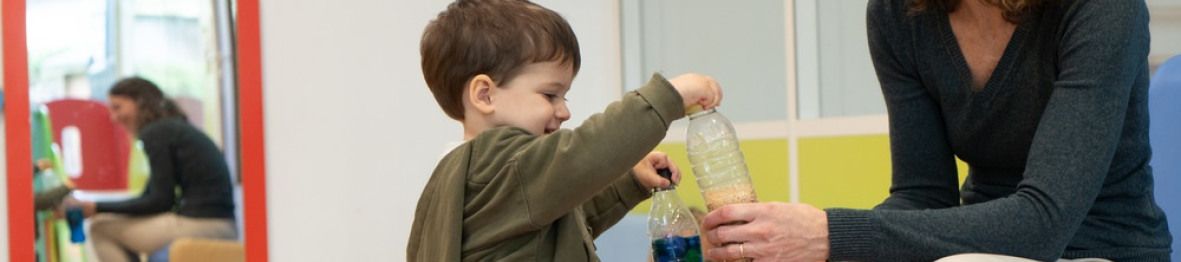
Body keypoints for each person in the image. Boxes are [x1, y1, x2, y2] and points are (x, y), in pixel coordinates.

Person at [698, 0, 1171, 261]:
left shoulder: (1103, 9)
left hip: (1103, 247)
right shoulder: (898, 14)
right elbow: (921, 196)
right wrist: (798, 245)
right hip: (977, 249)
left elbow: (1043, 223)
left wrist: (828, 234)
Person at [406, 0, 724, 261]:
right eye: (549, 95)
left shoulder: (465, 176)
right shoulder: (503, 161)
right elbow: (589, 153)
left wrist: (628, 183)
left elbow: (570, 220)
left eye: (565, 96)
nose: (564, 111)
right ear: (485, 95)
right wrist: (669, 97)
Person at [59, 77, 237, 262]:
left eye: (118, 107)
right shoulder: (171, 129)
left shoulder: (156, 132)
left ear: (140, 103)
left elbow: (159, 201)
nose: (113, 117)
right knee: (106, 223)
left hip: (204, 225)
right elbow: (151, 196)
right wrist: (99, 207)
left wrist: (97, 208)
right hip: (220, 224)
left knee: (100, 229)